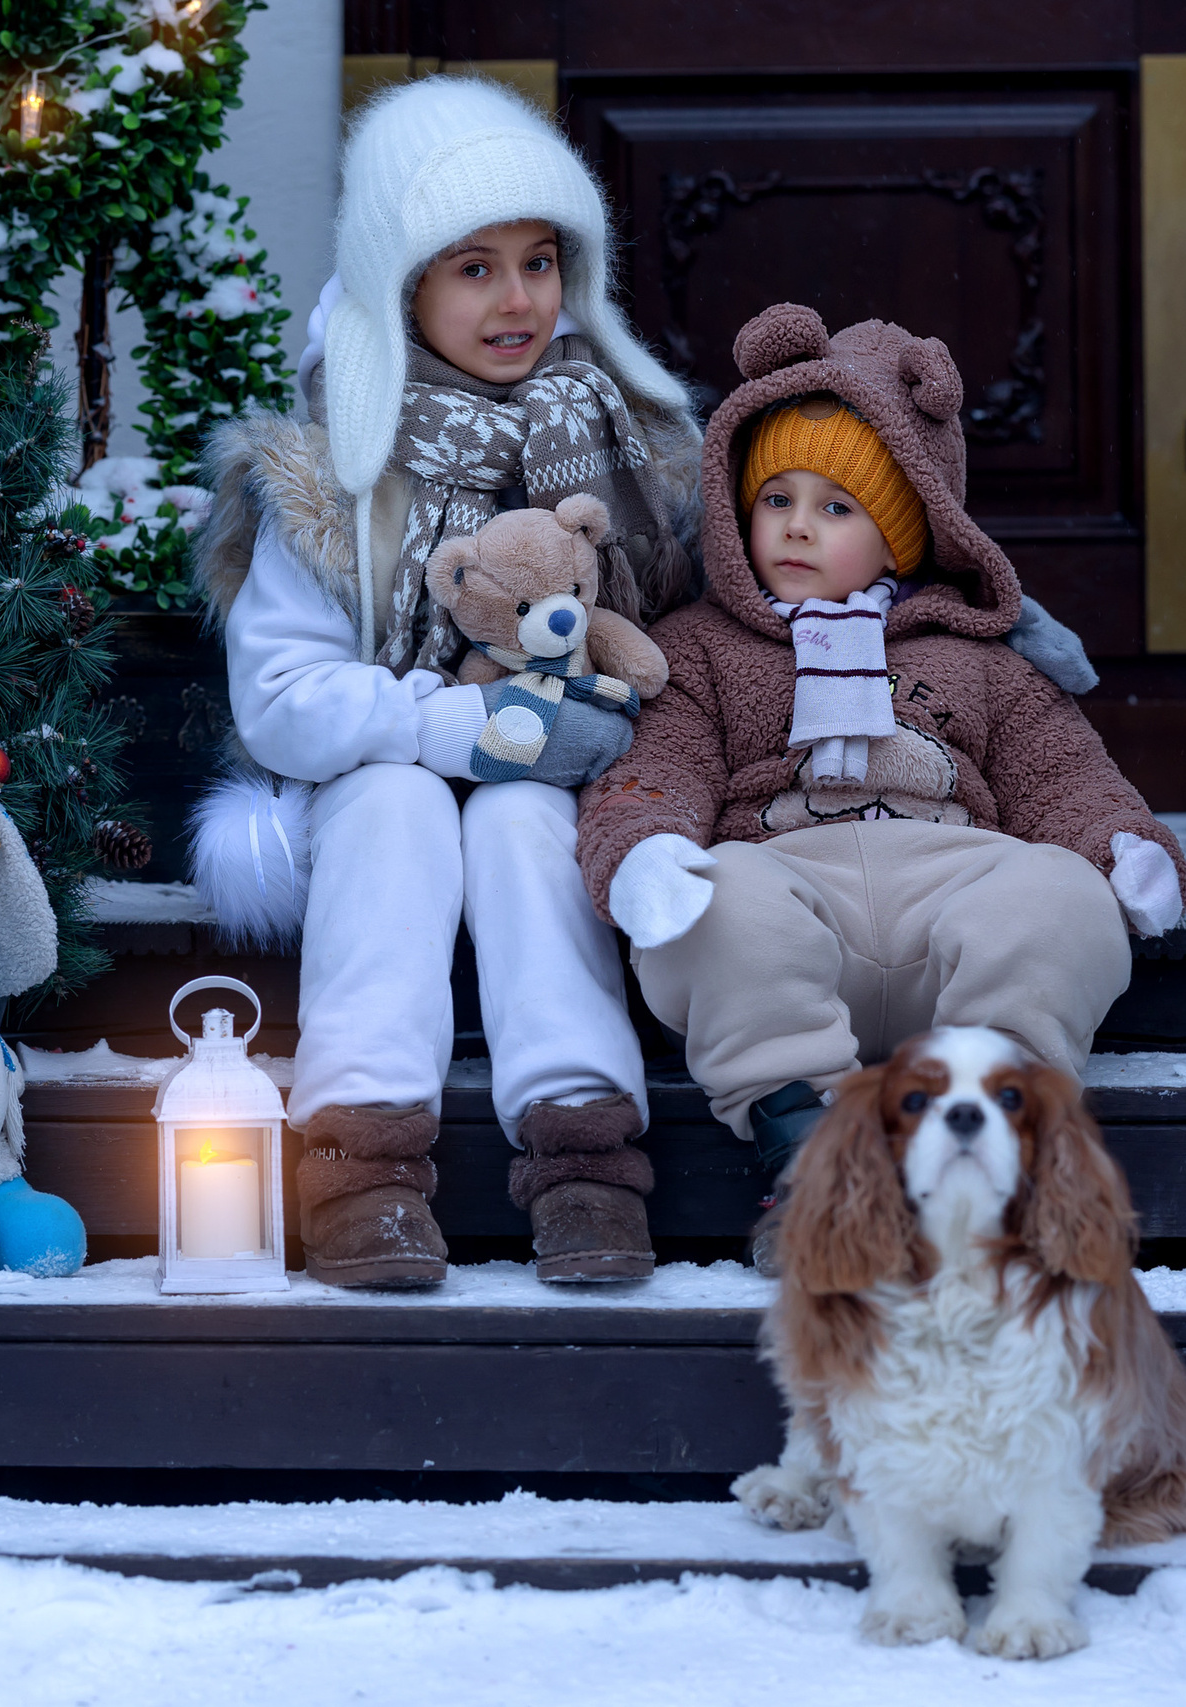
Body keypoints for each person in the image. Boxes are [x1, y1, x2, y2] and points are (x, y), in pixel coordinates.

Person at [197, 77, 699, 1287]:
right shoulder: (334, 471)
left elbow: (695, 630)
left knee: (531, 817)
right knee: (394, 804)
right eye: (473, 268)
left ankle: (583, 1151)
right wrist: (458, 725)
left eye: (540, 261)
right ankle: (362, 1158)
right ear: (402, 282)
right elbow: (284, 698)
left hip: (567, 771)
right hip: (383, 780)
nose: (518, 298)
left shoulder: (619, 438)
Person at [573, 303, 1186, 1266]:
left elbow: (1058, 770)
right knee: (715, 908)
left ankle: (986, 1143)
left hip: (955, 891)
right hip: (792, 893)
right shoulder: (702, 647)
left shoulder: (976, 653)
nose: (797, 528)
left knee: (1062, 896)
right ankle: (814, 1161)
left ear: (906, 532)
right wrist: (642, 847)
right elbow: (659, 768)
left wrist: (1120, 844)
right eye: (775, 499)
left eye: (836, 507)